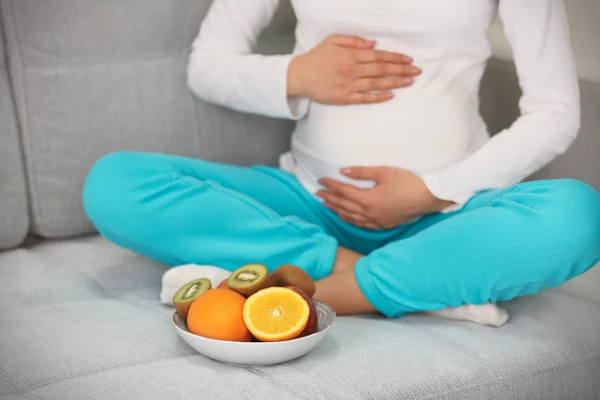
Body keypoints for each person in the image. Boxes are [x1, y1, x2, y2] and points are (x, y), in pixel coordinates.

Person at [82, 0, 600, 322]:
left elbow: (554, 113)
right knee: (115, 183)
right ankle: (417, 287)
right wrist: (298, 76)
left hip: (447, 218)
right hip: (304, 201)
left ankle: (335, 286)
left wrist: (433, 190)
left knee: (579, 215)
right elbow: (208, 65)